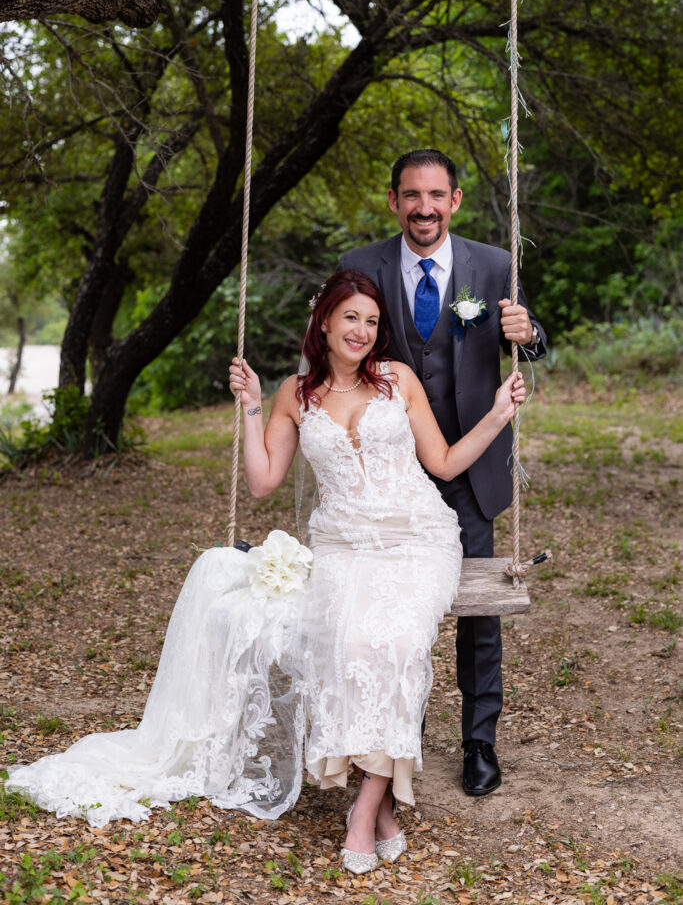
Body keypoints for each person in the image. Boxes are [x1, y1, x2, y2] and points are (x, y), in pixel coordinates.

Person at [6, 270, 525, 875]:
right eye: (350, 317)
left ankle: (365, 808)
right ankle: (382, 807)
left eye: (372, 322)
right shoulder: (296, 394)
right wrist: (251, 410)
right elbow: (261, 482)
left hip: (420, 540)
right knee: (350, 642)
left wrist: (495, 414)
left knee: (401, 642)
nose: (362, 331)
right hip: (344, 545)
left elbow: (442, 461)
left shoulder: (397, 381)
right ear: (325, 321)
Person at [340, 149, 547, 797]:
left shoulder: (493, 264)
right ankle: (389, 737)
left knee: (477, 614)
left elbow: (535, 345)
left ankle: (478, 741)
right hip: (393, 475)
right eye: (410, 195)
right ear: (394, 200)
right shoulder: (361, 268)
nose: (423, 208)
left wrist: (528, 330)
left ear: (453, 200)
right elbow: (336, 351)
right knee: (388, 612)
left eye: (435, 195)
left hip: (472, 467)